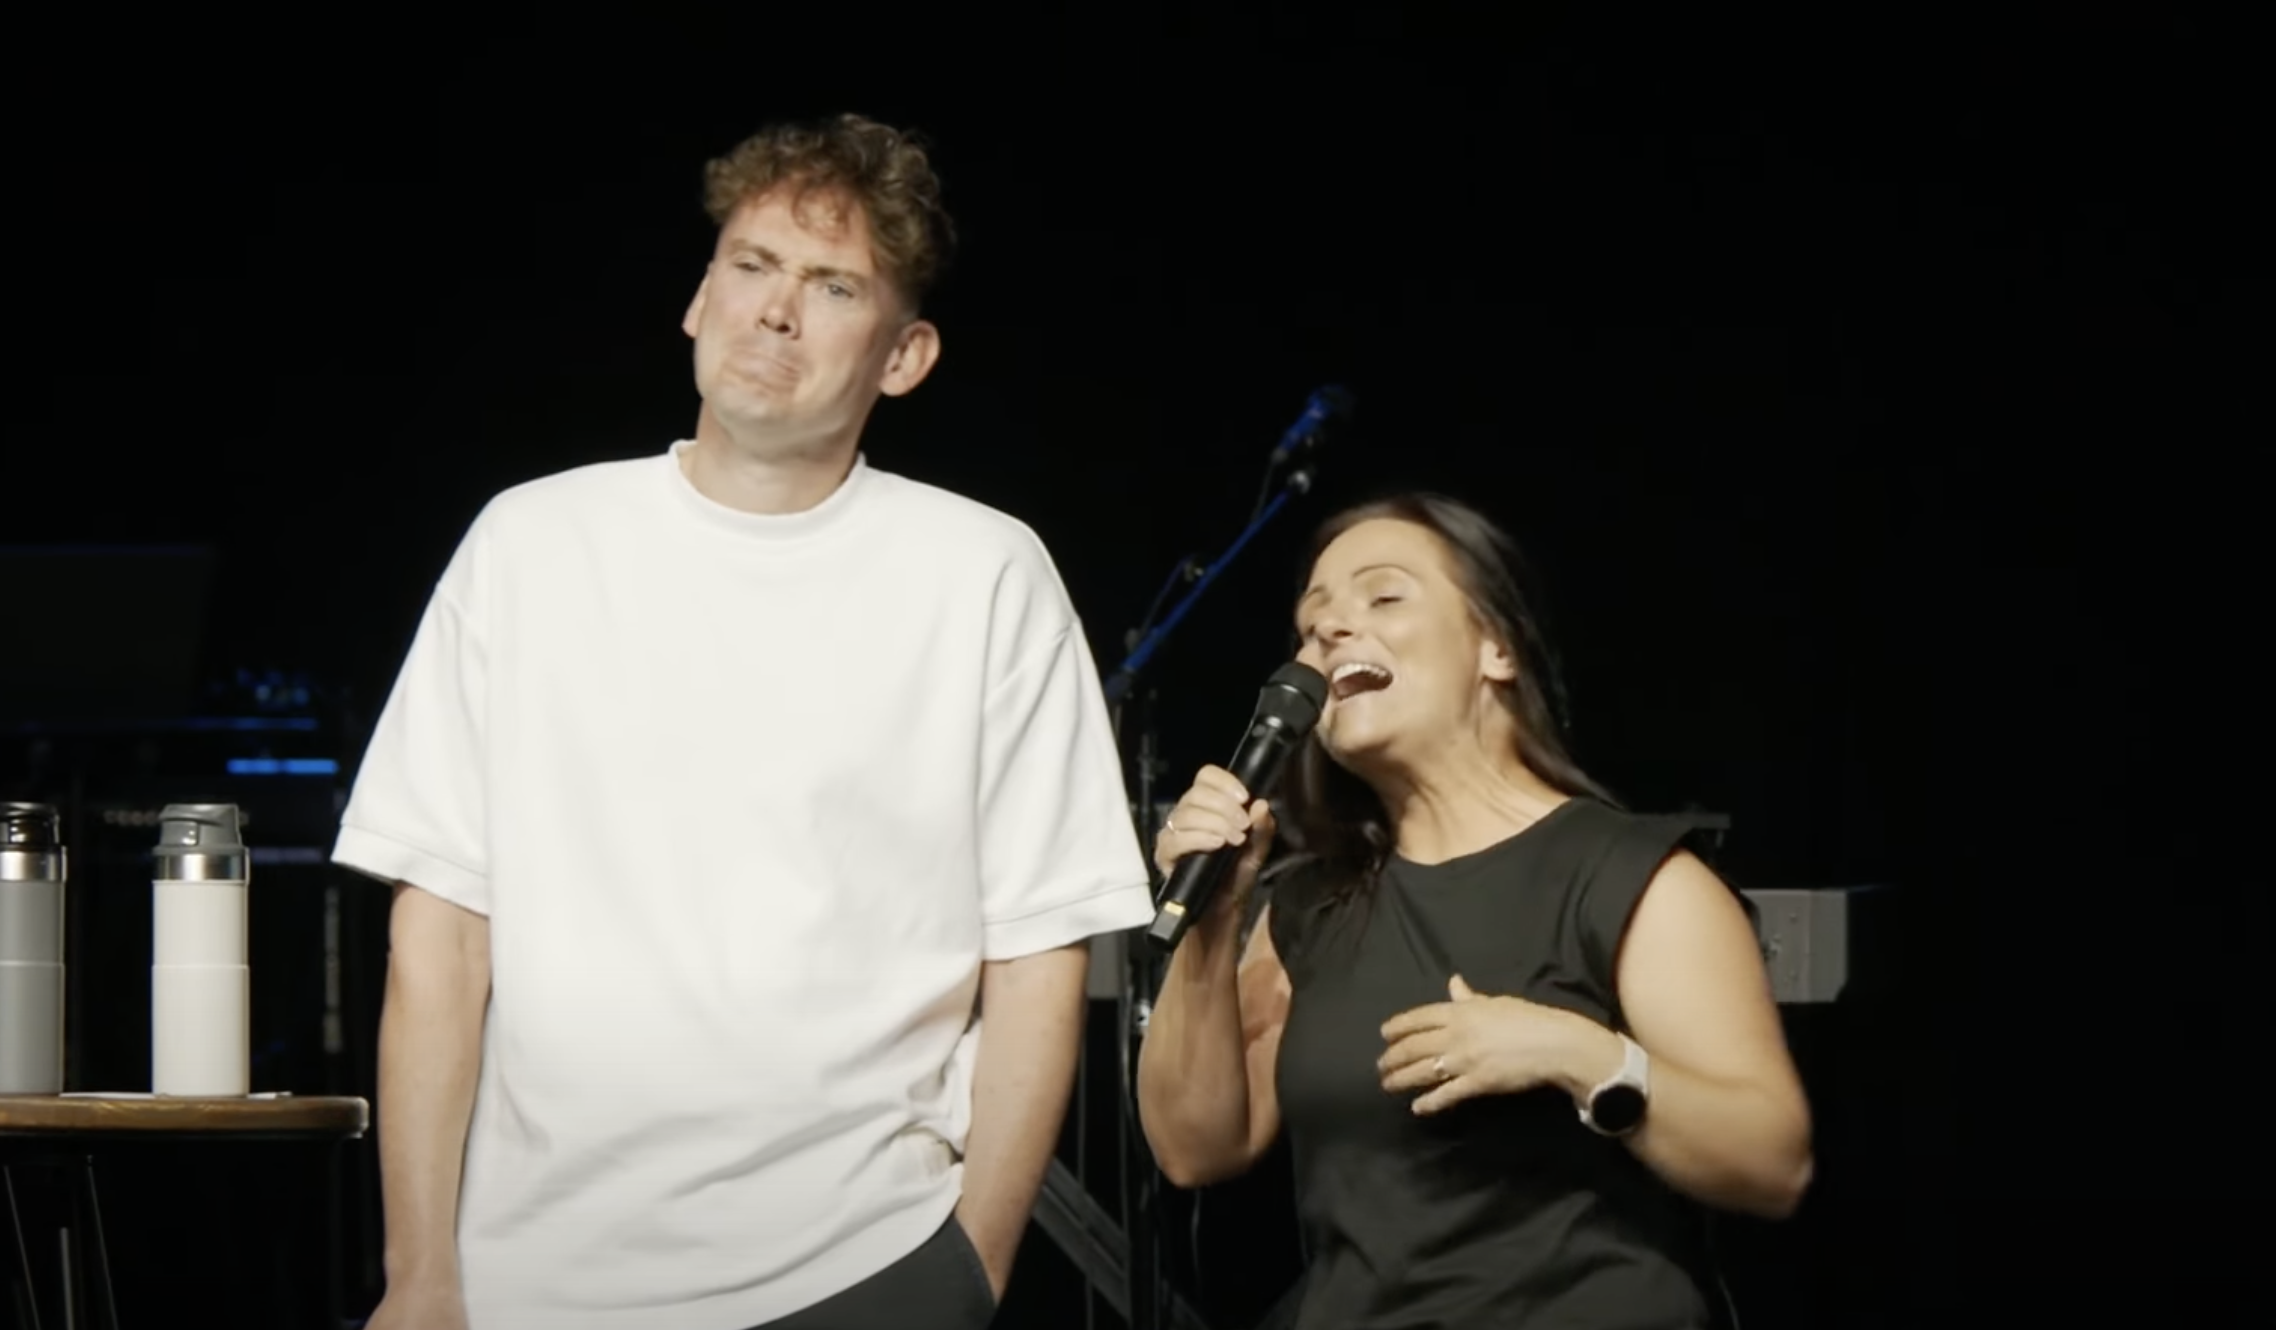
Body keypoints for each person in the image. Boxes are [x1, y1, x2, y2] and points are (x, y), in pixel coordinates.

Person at [332, 113, 1154, 1330]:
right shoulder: (531, 544)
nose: (775, 311)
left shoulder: (981, 572)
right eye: (751, 264)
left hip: (859, 1266)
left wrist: (969, 1269)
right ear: (697, 298)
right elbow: (443, 930)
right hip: (531, 1279)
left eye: (832, 286)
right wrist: (419, 1273)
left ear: (903, 355)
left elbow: (1037, 948)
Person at [1135, 494, 1813, 1328]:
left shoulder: (1630, 876)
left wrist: (1577, 1054)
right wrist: (1213, 922)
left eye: (1384, 596)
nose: (1331, 631)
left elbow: (1771, 1163)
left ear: (1498, 648)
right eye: (1312, 624)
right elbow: (1194, 1148)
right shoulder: (1310, 905)